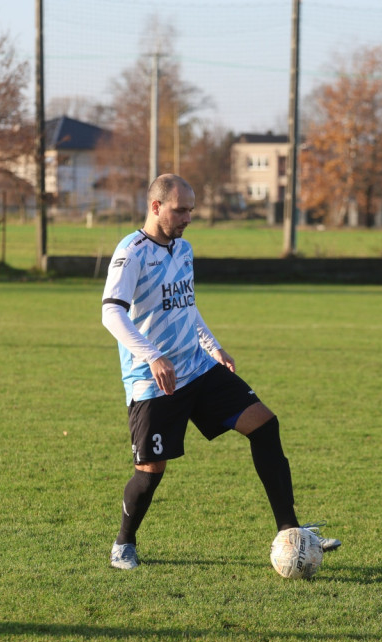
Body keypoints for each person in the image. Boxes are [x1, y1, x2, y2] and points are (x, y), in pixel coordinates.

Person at [101, 173, 340, 570]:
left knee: (264, 425)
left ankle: (291, 532)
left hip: (197, 367)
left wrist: (213, 346)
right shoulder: (132, 252)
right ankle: (123, 544)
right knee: (150, 471)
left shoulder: (183, 250)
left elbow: (186, 305)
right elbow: (111, 312)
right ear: (156, 207)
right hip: (154, 381)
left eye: (191, 210)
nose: (188, 218)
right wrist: (153, 356)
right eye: (180, 210)